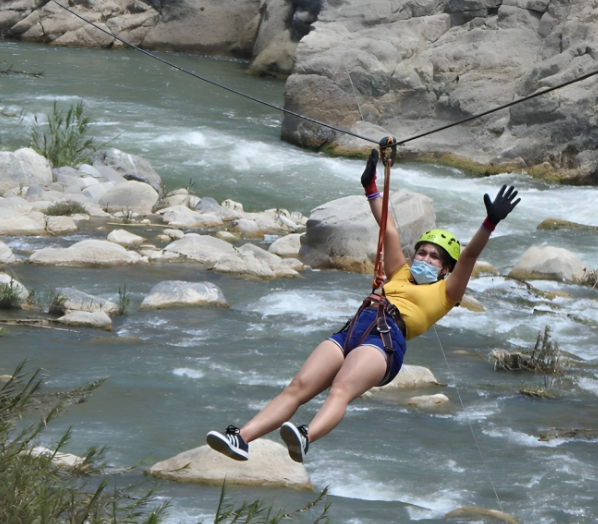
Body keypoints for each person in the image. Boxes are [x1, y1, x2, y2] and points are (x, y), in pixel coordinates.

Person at [206, 149, 520, 463]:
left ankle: (306, 436)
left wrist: (489, 222)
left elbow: (469, 256)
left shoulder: (447, 292)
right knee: (298, 386)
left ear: (445, 268)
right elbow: (389, 229)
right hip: (353, 329)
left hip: (385, 341)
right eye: (422, 252)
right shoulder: (401, 272)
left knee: (341, 388)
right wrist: (370, 187)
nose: (424, 258)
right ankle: (241, 438)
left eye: (434, 257)